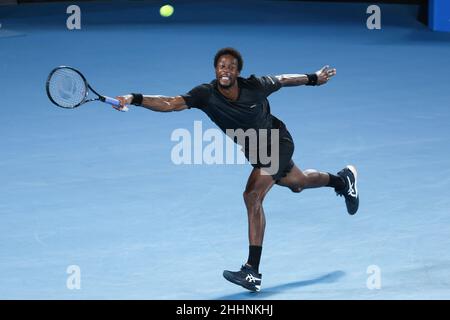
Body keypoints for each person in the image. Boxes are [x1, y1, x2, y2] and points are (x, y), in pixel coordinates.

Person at [115, 47, 359, 292]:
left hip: (278, 142)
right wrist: (134, 98)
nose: (226, 70)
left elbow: (284, 80)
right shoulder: (205, 94)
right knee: (298, 182)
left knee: (252, 196)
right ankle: (342, 181)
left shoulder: (255, 86)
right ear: (215, 70)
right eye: (222, 66)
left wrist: (314, 78)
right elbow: (170, 103)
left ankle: (252, 271)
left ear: (238, 72)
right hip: (257, 153)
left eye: (231, 66)